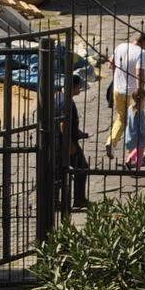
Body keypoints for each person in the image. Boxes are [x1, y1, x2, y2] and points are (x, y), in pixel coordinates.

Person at [105, 31, 145, 157]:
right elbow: (139, 73)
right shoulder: (141, 53)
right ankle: (133, 153)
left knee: (121, 118)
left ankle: (111, 141)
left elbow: (111, 64)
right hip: (132, 92)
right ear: (144, 40)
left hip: (117, 89)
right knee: (134, 121)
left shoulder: (121, 46)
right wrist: (140, 90)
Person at [53, 81, 89, 210]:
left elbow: (70, 122)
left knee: (58, 171)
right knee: (82, 167)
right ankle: (79, 199)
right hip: (65, 143)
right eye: (79, 86)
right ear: (73, 87)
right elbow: (64, 124)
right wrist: (69, 144)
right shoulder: (66, 102)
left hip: (57, 141)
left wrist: (79, 133)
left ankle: (55, 201)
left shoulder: (57, 96)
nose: (80, 89)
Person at [123, 88, 145, 169]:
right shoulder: (140, 112)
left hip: (130, 132)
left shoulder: (130, 108)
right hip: (139, 134)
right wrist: (144, 135)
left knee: (135, 148)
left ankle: (131, 158)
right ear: (142, 100)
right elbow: (141, 125)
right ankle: (137, 167)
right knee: (140, 149)